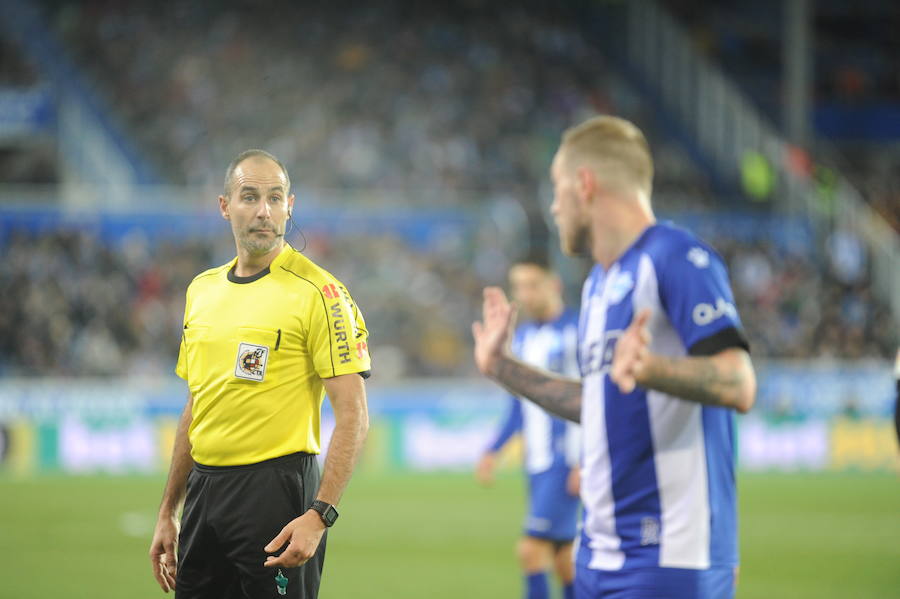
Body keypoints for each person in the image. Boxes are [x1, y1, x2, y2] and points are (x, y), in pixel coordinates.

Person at [472, 116, 756, 599]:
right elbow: (597, 404)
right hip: (598, 555)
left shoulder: (676, 256)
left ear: (585, 184)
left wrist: (653, 369)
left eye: (557, 189)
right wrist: (502, 368)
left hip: (668, 559)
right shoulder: (599, 285)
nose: (554, 206)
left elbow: (738, 382)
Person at [149, 149, 371, 598]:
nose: (263, 211)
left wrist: (320, 515)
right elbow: (197, 404)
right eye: (249, 197)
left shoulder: (321, 293)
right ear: (225, 206)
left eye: (275, 197)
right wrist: (168, 510)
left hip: (275, 491)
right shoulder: (202, 290)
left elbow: (353, 416)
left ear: (291, 205)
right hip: (203, 490)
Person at [475, 258, 581, 599]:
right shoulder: (523, 338)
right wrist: (495, 449)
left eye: (533, 285)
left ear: (555, 285)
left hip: (567, 460)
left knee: (531, 550)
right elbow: (519, 405)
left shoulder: (579, 331)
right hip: (538, 464)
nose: (524, 295)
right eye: (518, 286)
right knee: (565, 558)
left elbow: (597, 400)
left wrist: (589, 459)